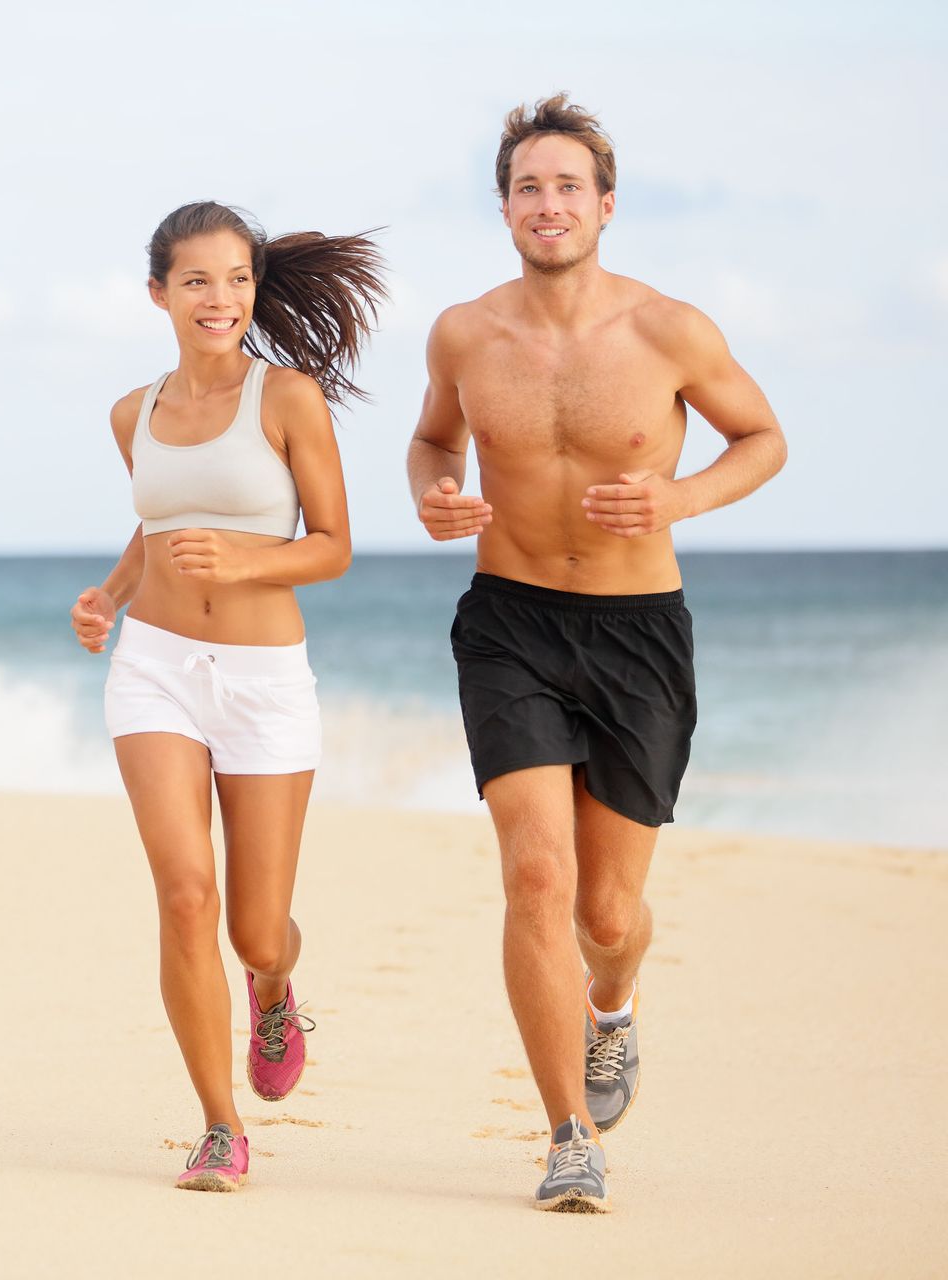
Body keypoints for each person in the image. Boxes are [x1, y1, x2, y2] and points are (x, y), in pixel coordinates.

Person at [407, 94, 787, 1212]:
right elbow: (435, 432)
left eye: (569, 185)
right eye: (529, 186)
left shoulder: (669, 329)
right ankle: (569, 1132)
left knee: (607, 917)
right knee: (535, 871)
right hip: (508, 621)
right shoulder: (466, 332)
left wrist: (679, 492)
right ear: (506, 207)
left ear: (606, 206)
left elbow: (762, 438)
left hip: (637, 635)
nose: (549, 203)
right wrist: (434, 489)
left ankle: (611, 1006)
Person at [70, 201, 384, 1192]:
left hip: (262, 680)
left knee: (254, 926)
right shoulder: (134, 412)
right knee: (182, 892)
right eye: (199, 280)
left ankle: (275, 985)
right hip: (154, 666)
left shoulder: (286, 398)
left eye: (238, 277)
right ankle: (218, 1123)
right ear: (158, 292)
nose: (222, 298)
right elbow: (158, 520)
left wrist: (245, 562)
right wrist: (111, 596)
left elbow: (332, 545)